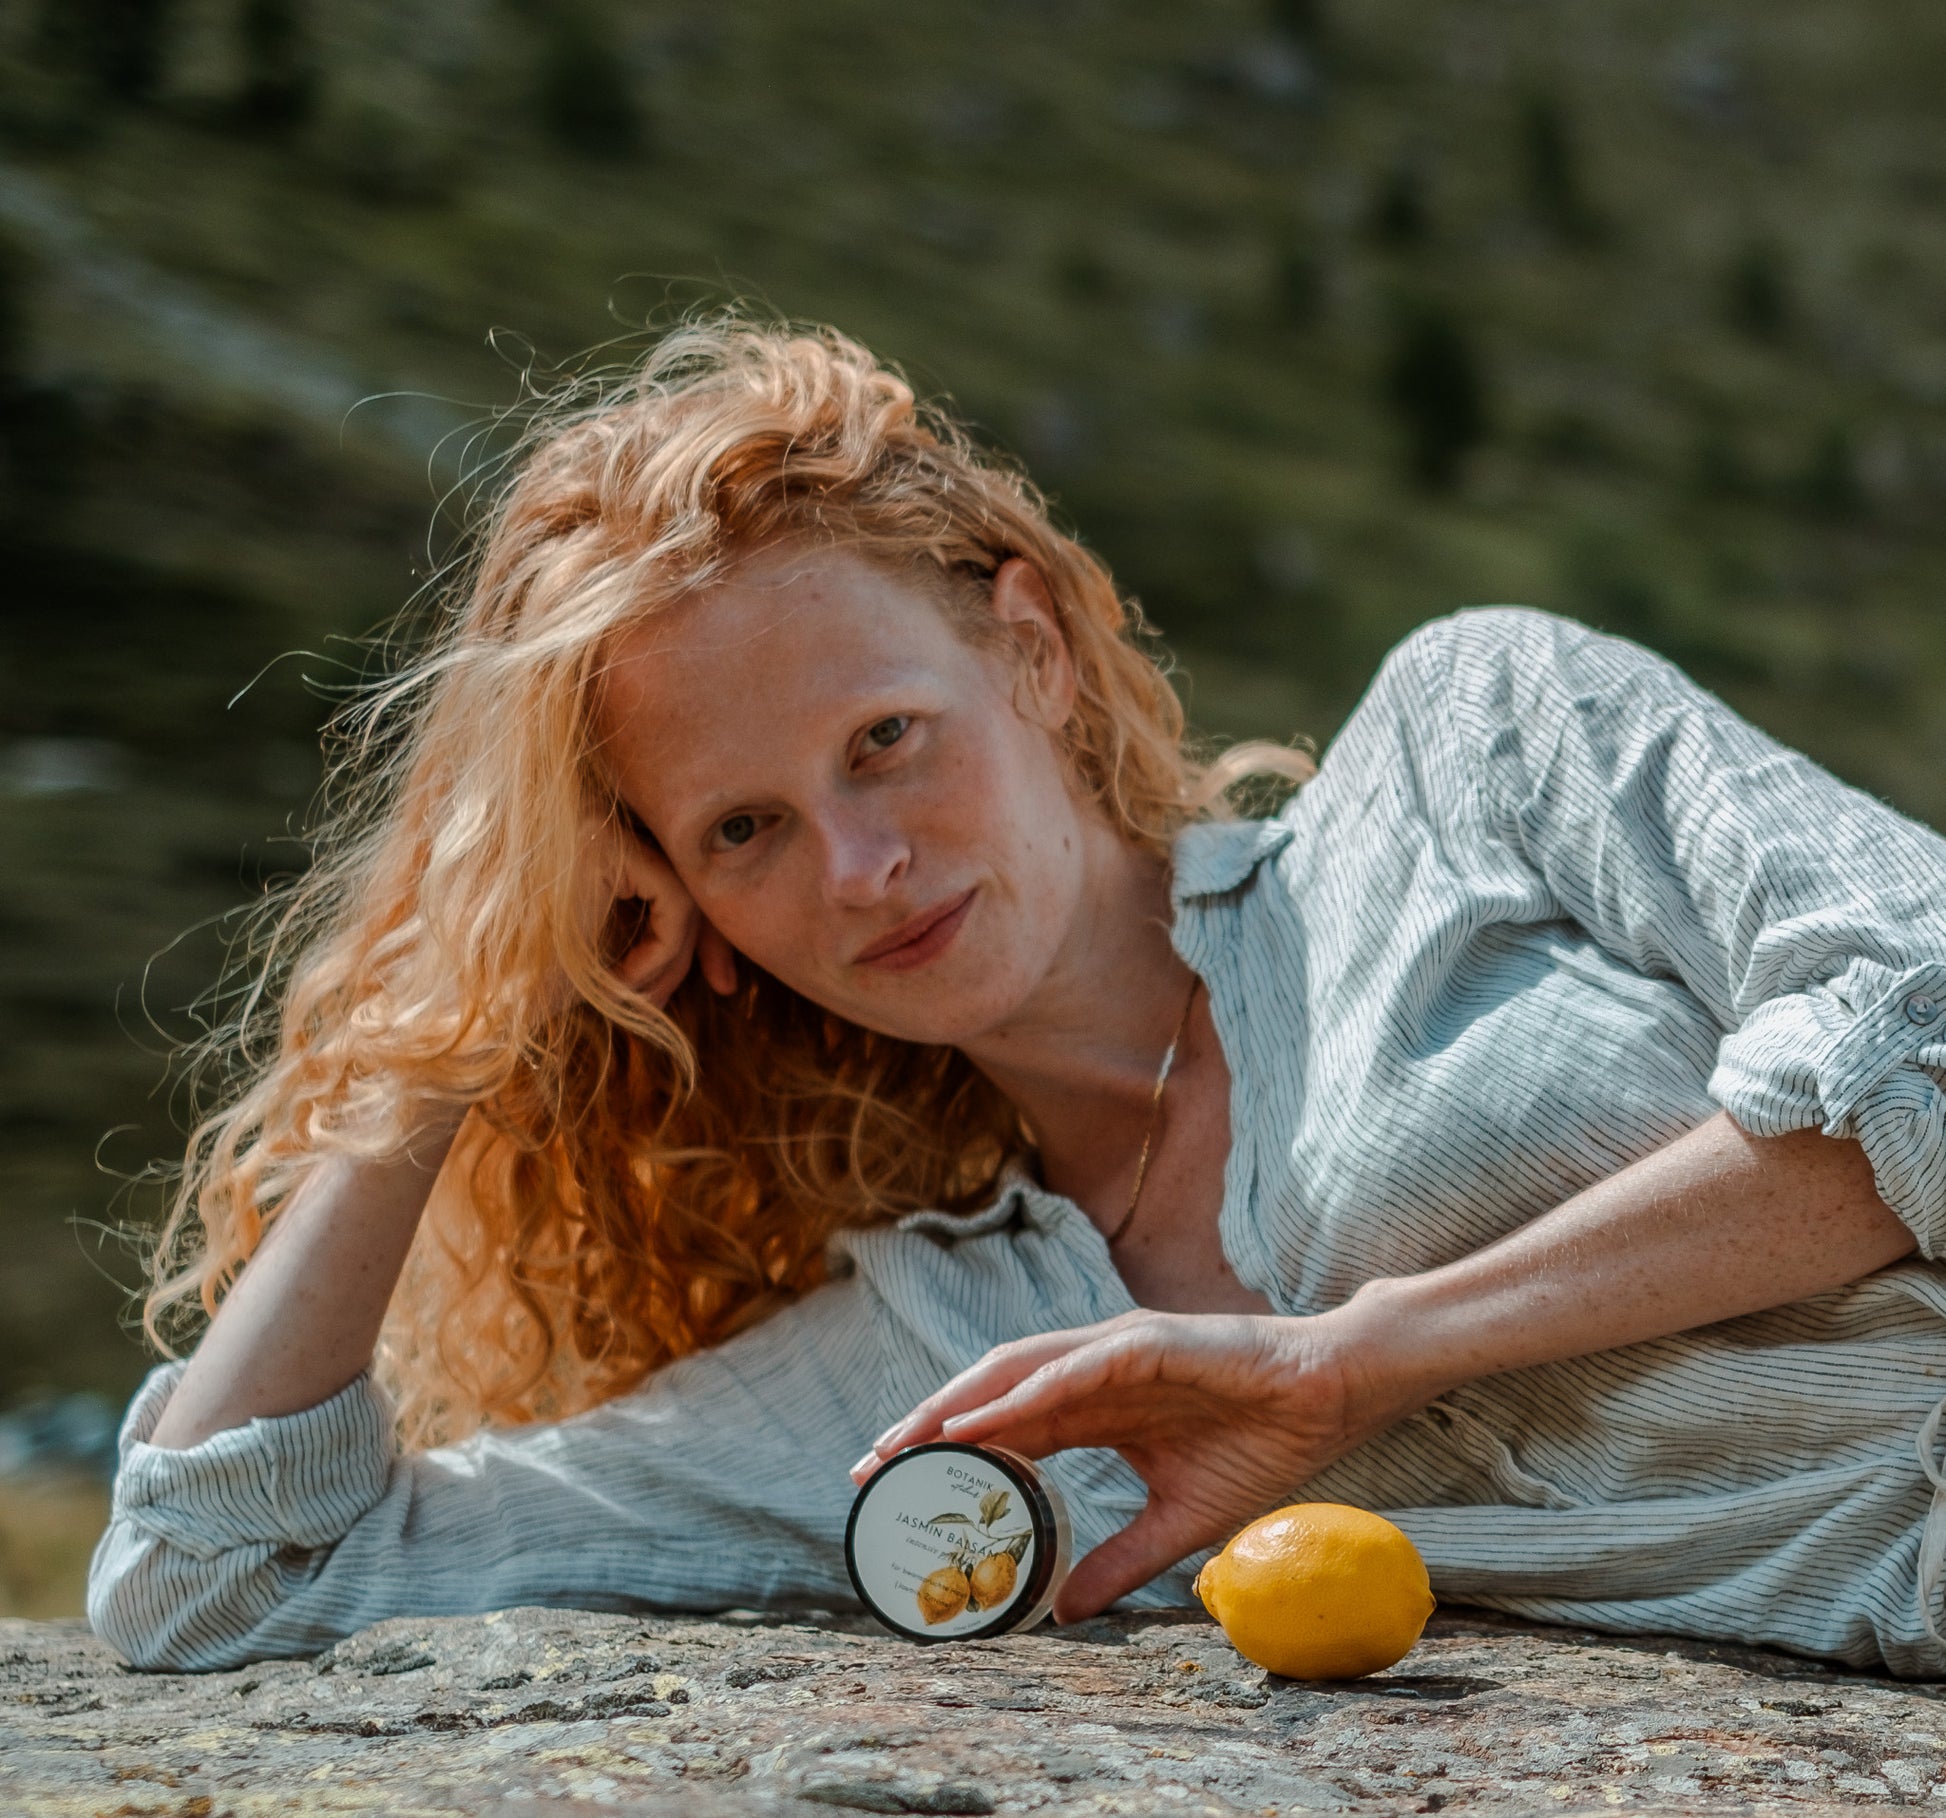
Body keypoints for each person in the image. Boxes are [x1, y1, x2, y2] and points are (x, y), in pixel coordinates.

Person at [89, 319, 1946, 1677]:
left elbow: (1923, 1014)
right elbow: (222, 1583)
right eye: (744, 827)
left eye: (886, 739)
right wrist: (457, 1033)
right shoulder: (953, 1361)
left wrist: (1350, 1356)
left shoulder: (1470, 754)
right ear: (679, 903)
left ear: (1032, 651)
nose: (858, 867)